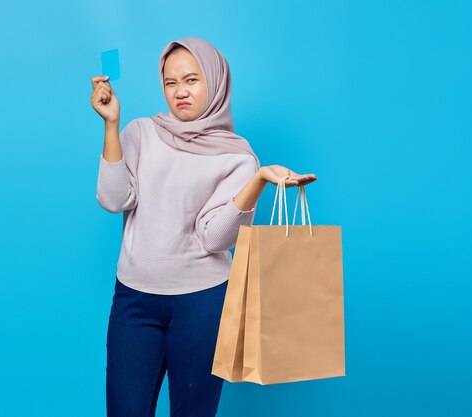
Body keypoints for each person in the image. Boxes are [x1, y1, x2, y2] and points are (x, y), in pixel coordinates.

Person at [91, 37, 317, 417]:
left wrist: (257, 181)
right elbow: (114, 200)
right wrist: (112, 125)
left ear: (214, 81)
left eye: (192, 80)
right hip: (134, 301)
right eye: (170, 82)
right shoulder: (140, 132)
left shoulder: (237, 157)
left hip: (204, 303)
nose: (180, 92)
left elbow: (215, 238)